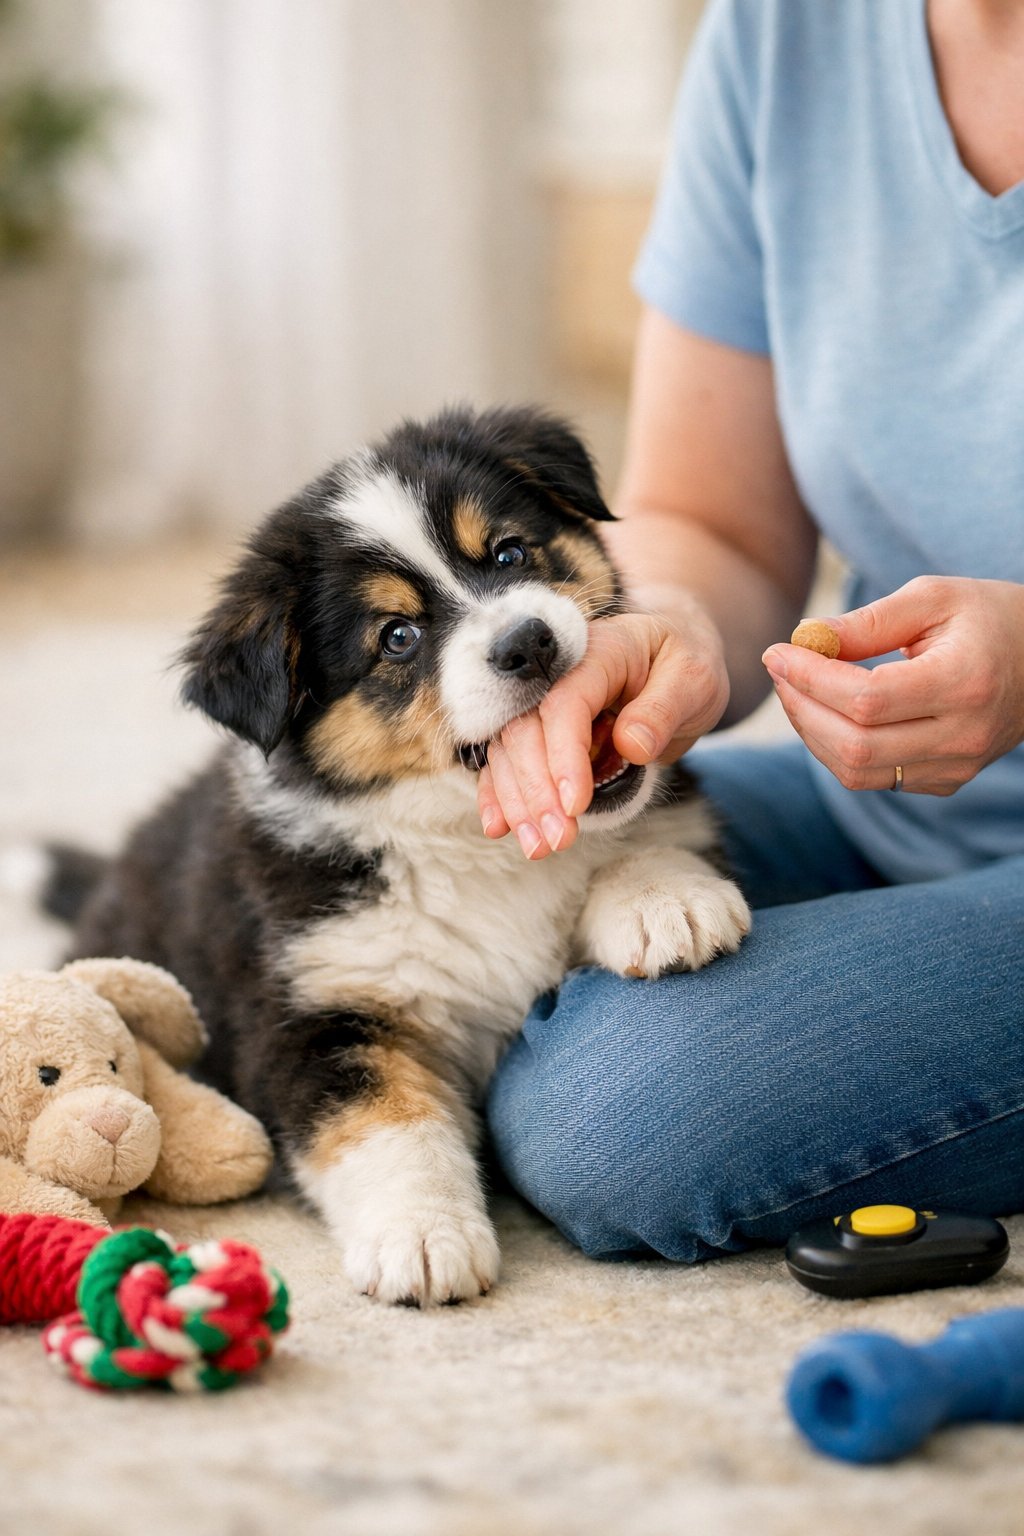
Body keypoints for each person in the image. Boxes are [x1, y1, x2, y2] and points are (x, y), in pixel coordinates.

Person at [482, 0, 1024, 1262]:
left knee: (619, 1113)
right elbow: (709, 516)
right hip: (884, 806)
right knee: (430, 866)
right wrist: (652, 632)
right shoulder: (784, 33)